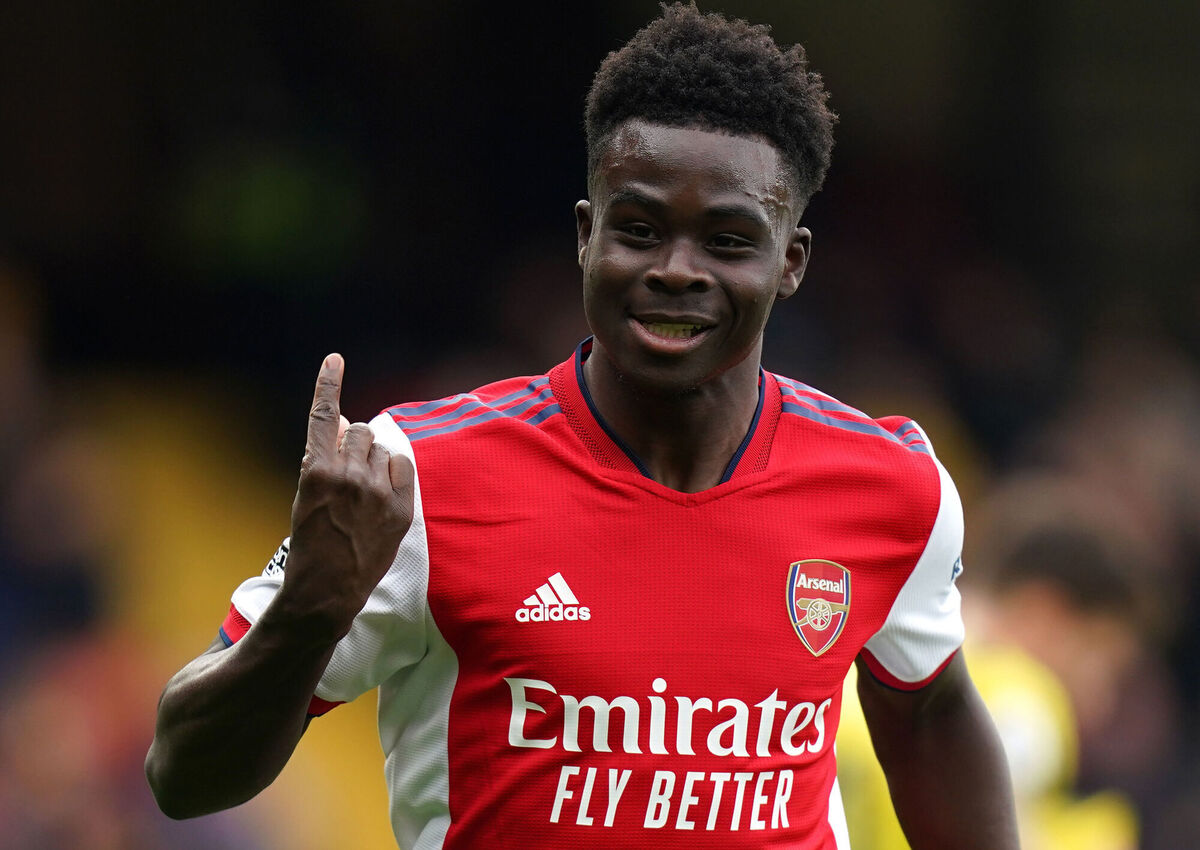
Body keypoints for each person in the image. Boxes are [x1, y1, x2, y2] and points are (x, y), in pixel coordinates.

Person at [146, 5, 1019, 847]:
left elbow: (931, 707)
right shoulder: (416, 479)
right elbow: (182, 776)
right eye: (639, 229)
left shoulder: (890, 488)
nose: (677, 270)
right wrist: (311, 612)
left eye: (727, 240)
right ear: (584, 235)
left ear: (789, 263)